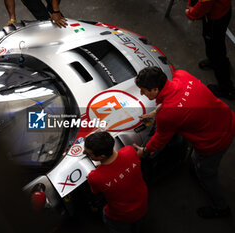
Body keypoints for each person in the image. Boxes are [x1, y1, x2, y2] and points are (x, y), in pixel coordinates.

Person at [133, 66, 235, 219]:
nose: (141, 93)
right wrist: (156, 113)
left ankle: (221, 208)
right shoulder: (181, 75)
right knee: (197, 162)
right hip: (226, 118)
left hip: (214, 141)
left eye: (143, 90)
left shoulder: (168, 115)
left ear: (154, 90)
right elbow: (176, 98)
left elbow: (159, 140)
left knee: (207, 174)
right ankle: (198, 170)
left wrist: (144, 151)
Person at [85, 132, 148, 233]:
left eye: (89, 153)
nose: (85, 153)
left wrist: (98, 173)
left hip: (121, 216)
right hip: (142, 204)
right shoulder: (130, 150)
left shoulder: (94, 177)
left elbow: (96, 192)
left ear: (101, 156)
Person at [185, 0, 234, 99]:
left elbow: (205, 3)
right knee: (215, 43)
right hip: (218, 12)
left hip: (215, 18)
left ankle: (227, 89)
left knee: (217, 50)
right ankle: (214, 60)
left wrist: (191, 12)